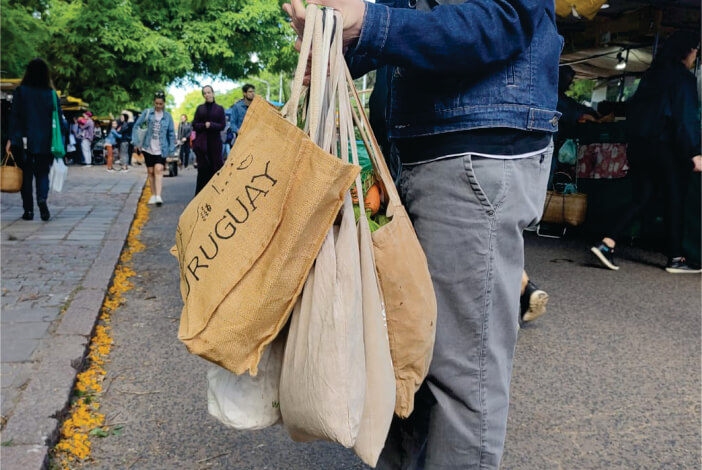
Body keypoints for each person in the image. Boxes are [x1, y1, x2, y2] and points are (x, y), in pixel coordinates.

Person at [284, 0, 560, 468]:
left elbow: (506, 18)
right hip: (408, 146)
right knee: (400, 353)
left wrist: (369, 22)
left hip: (470, 146)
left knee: (458, 374)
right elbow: (414, 19)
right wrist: (345, 37)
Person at [590, 31, 702, 274]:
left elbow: (633, 110)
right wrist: (695, 152)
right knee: (675, 201)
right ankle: (676, 258)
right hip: (666, 148)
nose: (696, 55)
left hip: (639, 146)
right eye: (695, 50)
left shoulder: (652, 76)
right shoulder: (683, 79)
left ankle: (607, 242)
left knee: (641, 198)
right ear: (688, 51)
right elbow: (686, 119)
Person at [5, 58, 67, 221]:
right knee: (42, 174)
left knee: (26, 176)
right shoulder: (51, 94)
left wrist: (10, 138)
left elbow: (15, 117)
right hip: (46, 141)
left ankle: (28, 210)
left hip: (23, 140)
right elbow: (60, 120)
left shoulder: (21, 91)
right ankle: (42, 199)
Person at [132, 90, 176, 206]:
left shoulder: (168, 117)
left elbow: (171, 133)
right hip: (148, 147)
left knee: (159, 169)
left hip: (162, 148)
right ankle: (153, 194)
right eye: (156, 103)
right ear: (154, 102)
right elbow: (136, 125)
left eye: (160, 104)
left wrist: (171, 149)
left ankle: (158, 196)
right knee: (150, 171)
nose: (158, 106)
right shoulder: (147, 113)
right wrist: (136, 142)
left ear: (164, 104)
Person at [192, 85, 226, 194]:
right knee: (202, 171)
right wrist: (203, 125)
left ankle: (215, 196)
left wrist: (211, 125)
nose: (207, 95)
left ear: (213, 93)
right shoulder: (200, 108)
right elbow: (195, 124)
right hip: (202, 145)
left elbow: (222, 125)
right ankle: (200, 196)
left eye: (208, 92)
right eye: (205, 93)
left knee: (216, 169)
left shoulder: (219, 109)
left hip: (215, 144)